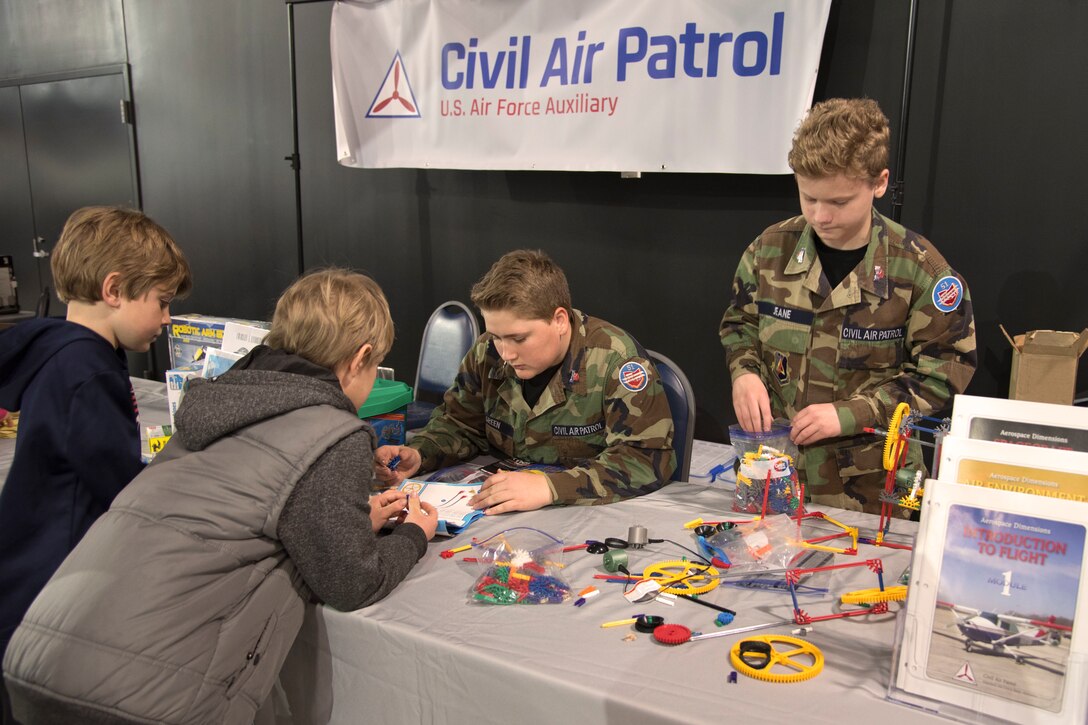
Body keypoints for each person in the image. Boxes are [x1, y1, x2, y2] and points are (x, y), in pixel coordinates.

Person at [2, 269, 438, 724]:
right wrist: (412, 534)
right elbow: (352, 584)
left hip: (40, 656)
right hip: (149, 695)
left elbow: (241, 512)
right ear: (360, 358)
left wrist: (348, 523)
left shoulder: (215, 404)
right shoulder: (335, 432)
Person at [719, 98, 976, 514]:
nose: (820, 216)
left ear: (879, 183)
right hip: (774, 479)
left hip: (870, 496)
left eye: (838, 202)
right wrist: (744, 373)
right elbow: (739, 327)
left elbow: (944, 374)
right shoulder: (769, 251)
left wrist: (853, 413)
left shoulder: (919, 271)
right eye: (808, 197)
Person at [0, 206, 192, 723]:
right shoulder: (86, 371)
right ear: (114, 290)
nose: (167, 319)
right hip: (52, 590)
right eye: (162, 302)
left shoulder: (61, 350)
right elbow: (125, 494)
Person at [376, 249, 676, 514]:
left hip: (582, 514)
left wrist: (549, 488)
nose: (505, 353)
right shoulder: (486, 352)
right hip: (498, 508)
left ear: (559, 320)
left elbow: (645, 459)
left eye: (518, 338)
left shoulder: (615, 360)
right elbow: (460, 424)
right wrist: (421, 453)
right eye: (496, 337)